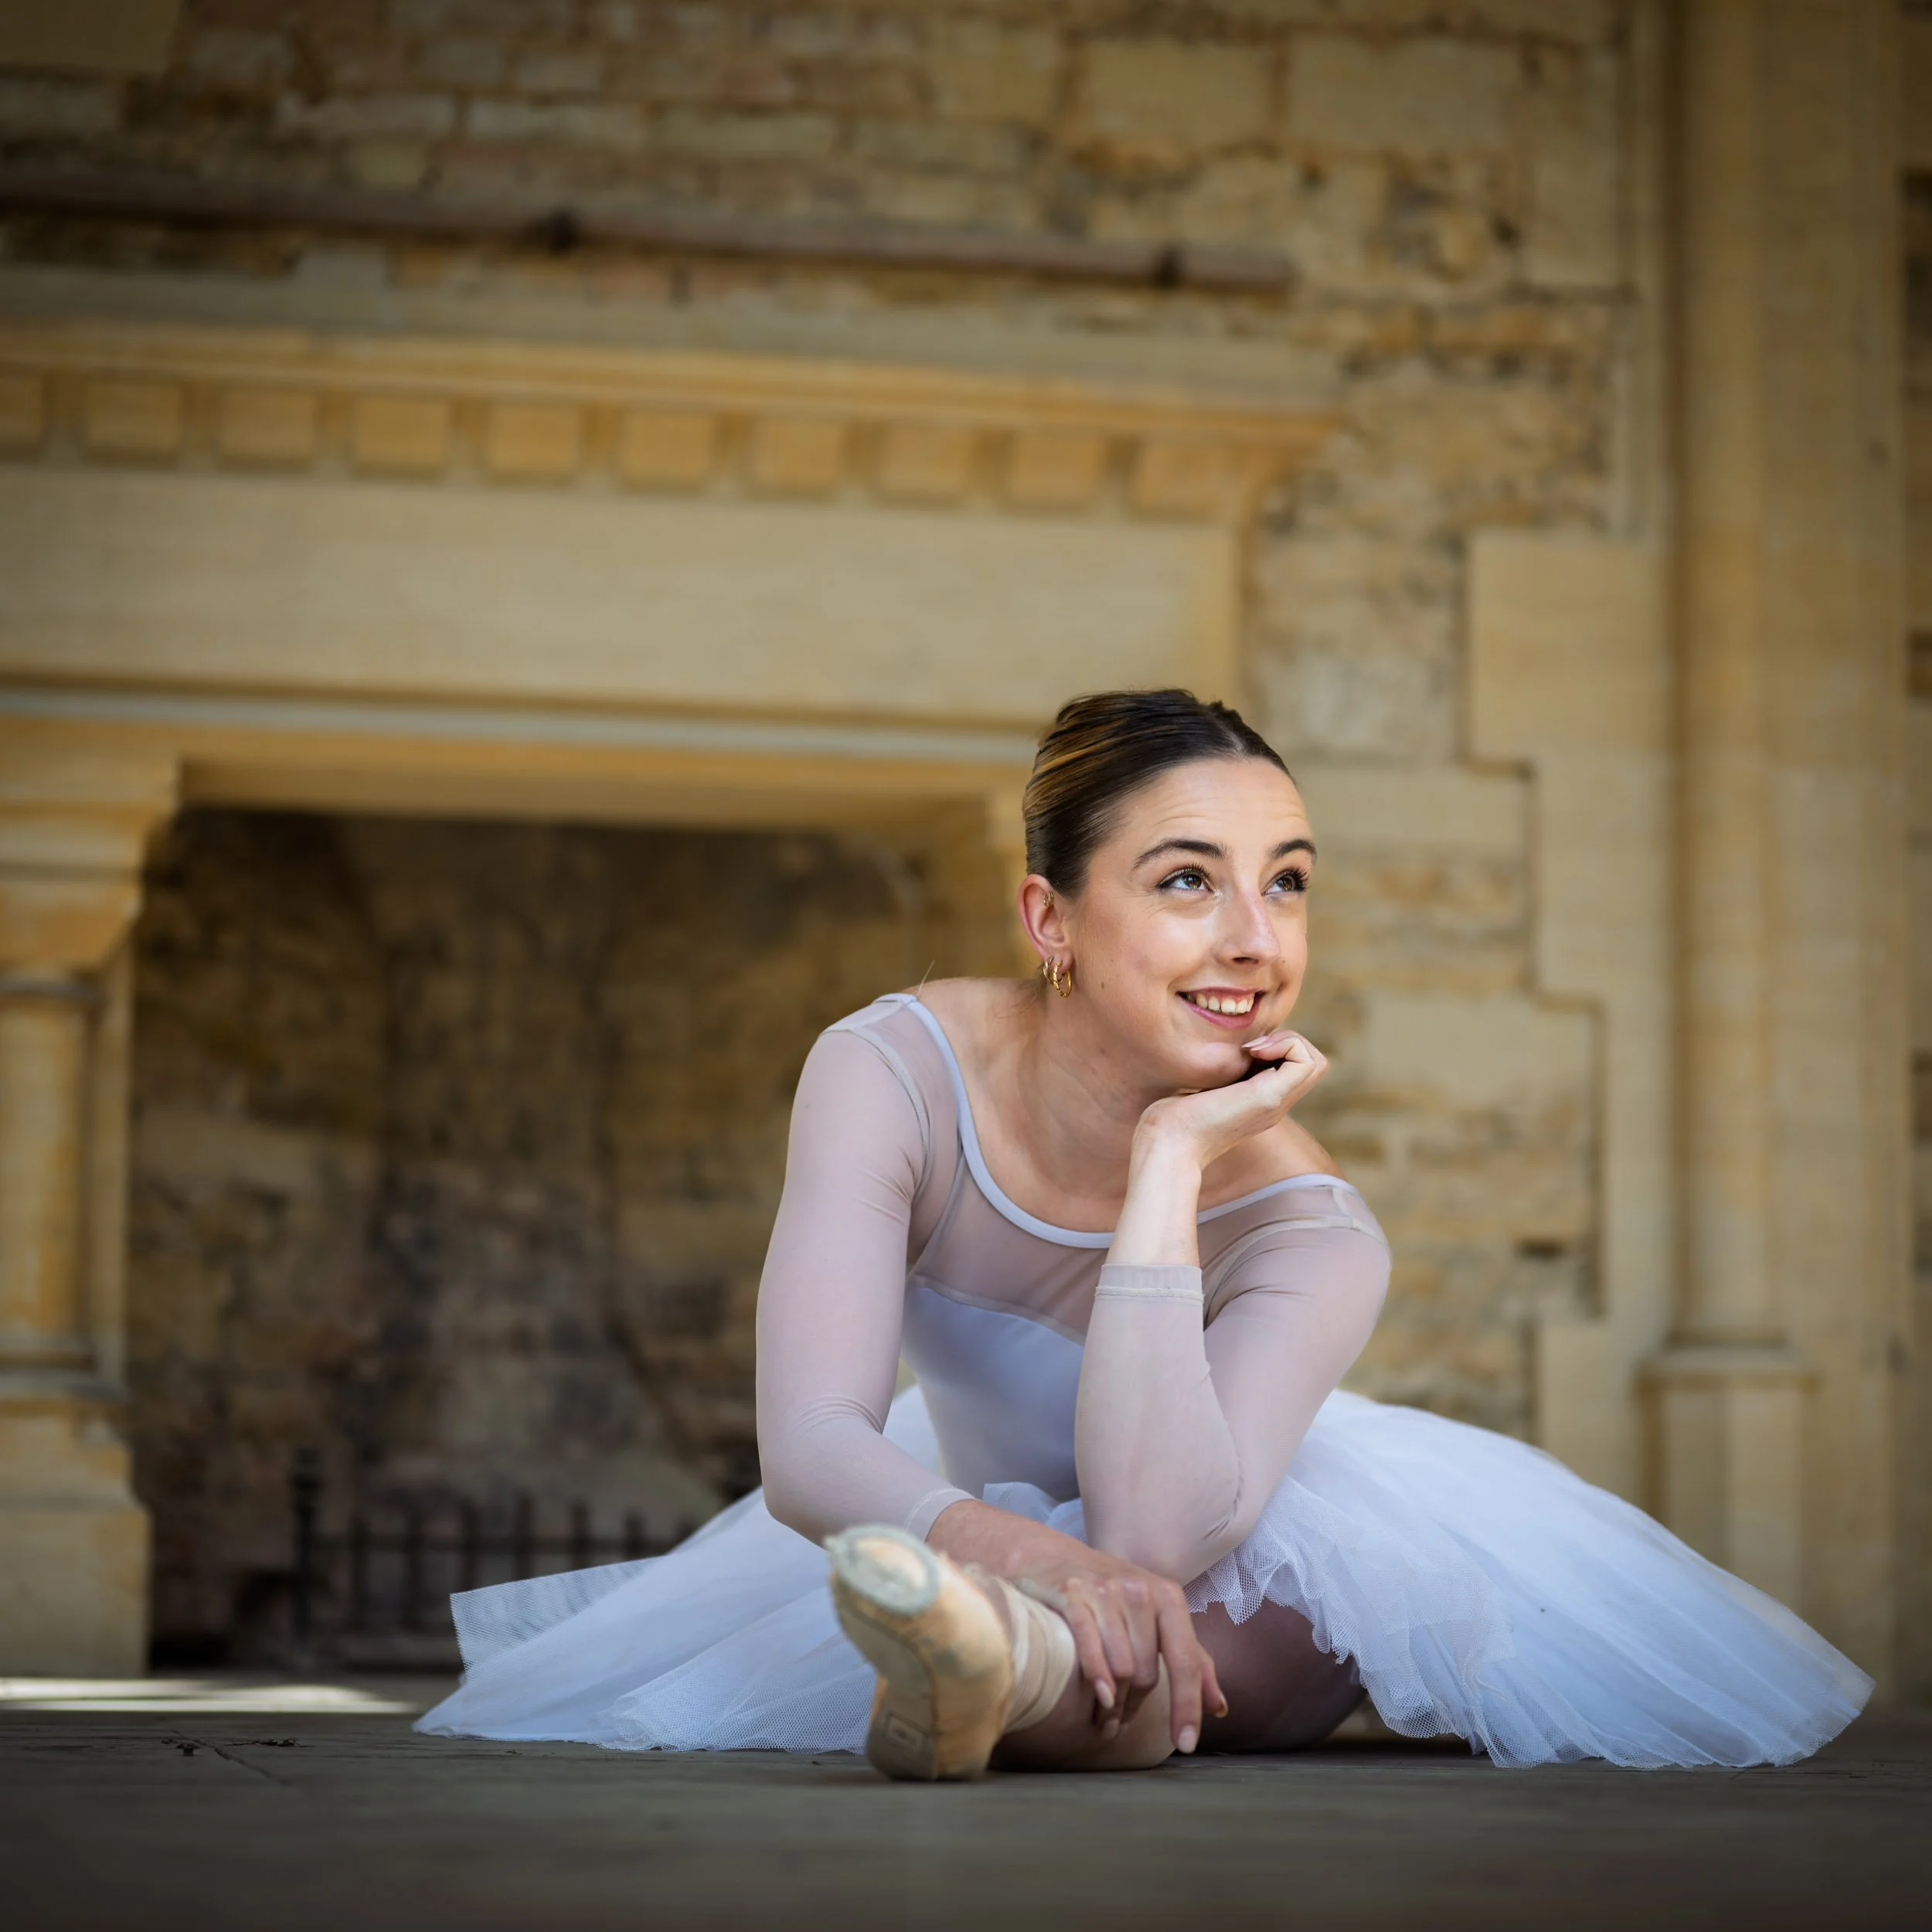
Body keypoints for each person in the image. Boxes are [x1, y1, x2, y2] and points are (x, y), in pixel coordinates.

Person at [418, 689, 1870, 1777]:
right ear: (1051, 918)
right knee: (1049, 1600)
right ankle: (993, 1663)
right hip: (973, 1509)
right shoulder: (889, 1073)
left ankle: (997, 1683)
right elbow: (809, 1444)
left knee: (1220, 1624)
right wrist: (1023, 1558)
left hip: (1254, 1527)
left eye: (1286, 880)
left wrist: (1174, 1163)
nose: (1255, 937)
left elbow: (1156, 1535)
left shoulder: (1317, 1231)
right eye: (1189, 880)